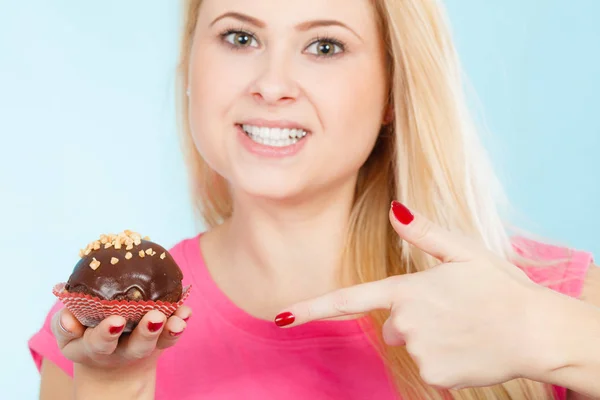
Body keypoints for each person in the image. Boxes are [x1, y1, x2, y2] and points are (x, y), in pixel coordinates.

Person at [29, 0, 600, 399]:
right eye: (240, 37)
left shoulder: (551, 295)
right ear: (191, 63)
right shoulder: (91, 334)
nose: (272, 84)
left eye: (324, 45)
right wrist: (113, 385)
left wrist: (549, 335)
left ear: (392, 91)